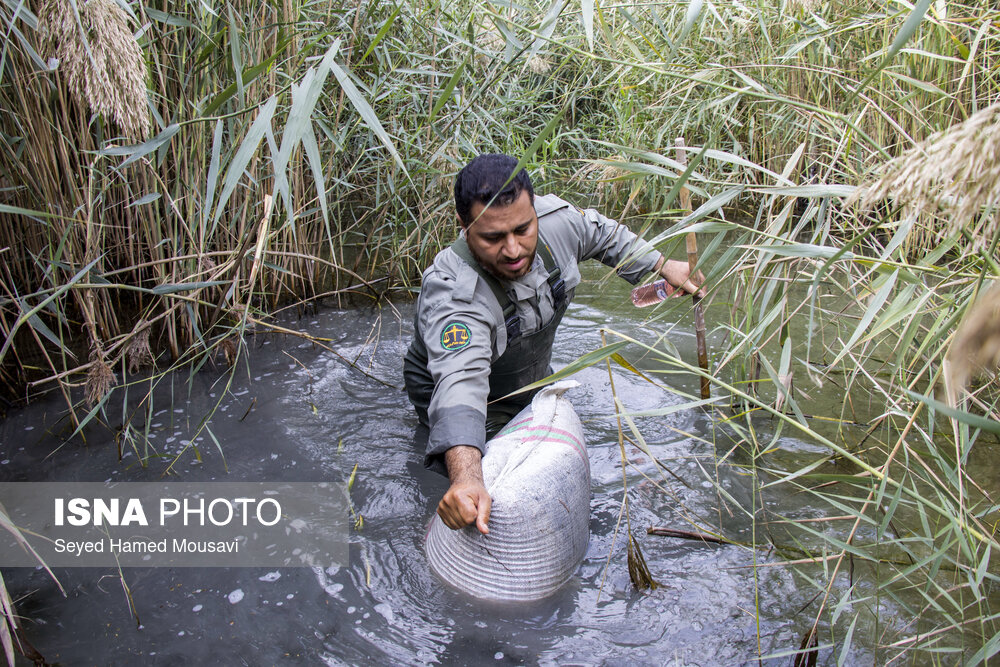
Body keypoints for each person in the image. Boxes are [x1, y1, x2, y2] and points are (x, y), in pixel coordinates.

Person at [403, 153, 702, 535]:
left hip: (530, 376)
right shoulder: (455, 296)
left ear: (534, 212)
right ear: (463, 226)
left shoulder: (555, 223)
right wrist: (465, 478)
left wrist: (661, 265)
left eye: (523, 230)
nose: (513, 250)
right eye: (493, 238)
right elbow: (460, 390)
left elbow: (602, 233)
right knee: (498, 493)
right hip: (459, 388)